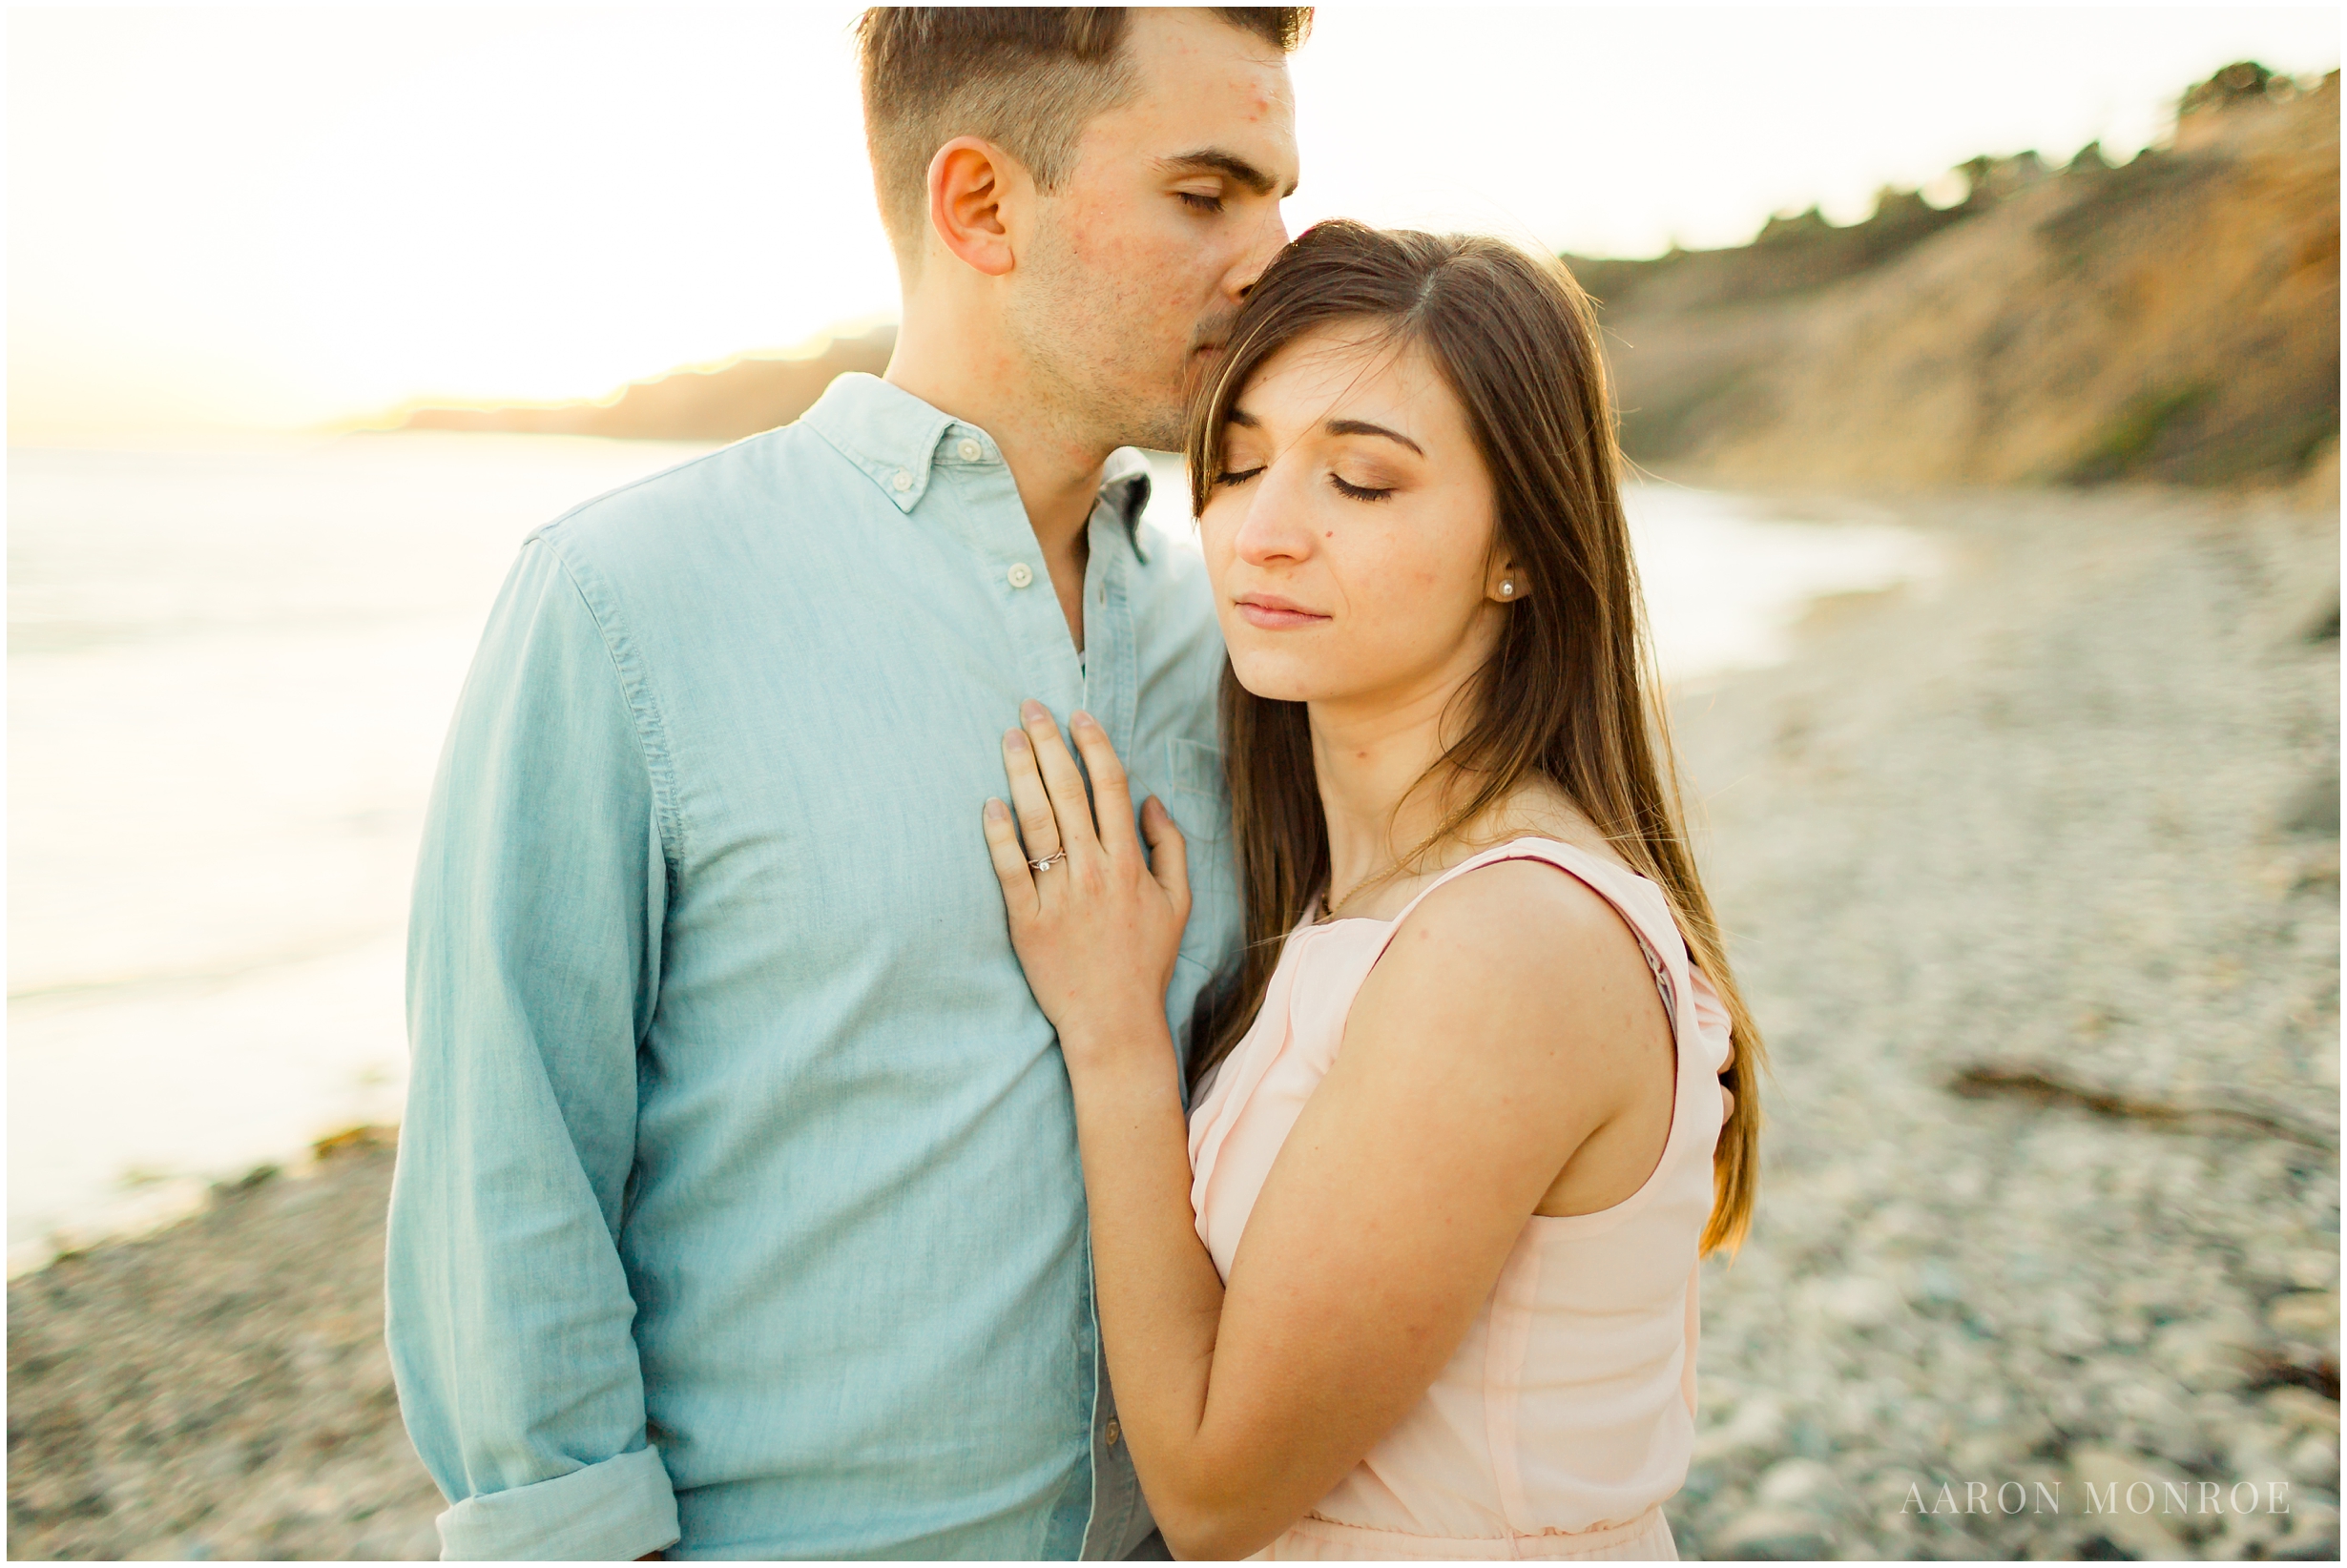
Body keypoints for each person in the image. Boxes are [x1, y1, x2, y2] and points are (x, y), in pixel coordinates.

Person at [384, 9, 1307, 1559]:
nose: (1272, 257)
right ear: (980, 206)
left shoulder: (1241, 641)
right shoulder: (625, 602)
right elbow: (506, 1166)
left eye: (1280, 193)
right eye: (1209, 194)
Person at [978, 220, 1765, 1561]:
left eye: (1360, 481)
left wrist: (1112, 1035)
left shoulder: (1511, 946)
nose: (1261, 533)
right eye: (1234, 464)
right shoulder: (1381, 899)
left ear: (1519, 546)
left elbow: (1217, 1492)